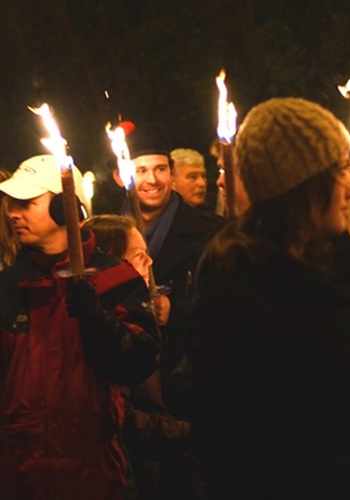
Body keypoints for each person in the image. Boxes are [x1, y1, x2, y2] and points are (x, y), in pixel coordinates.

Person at [189, 97, 350, 499]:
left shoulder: (326, 269)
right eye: (341, 171)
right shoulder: (240, 292)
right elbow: (237, 458)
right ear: (302, 186)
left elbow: (342, 389)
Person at [0, 155, 160, 499]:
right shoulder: (7, 287)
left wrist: (96, 319)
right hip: (19, 477)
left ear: (64, 208)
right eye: (12, 203)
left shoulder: (114, 277)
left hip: (94, 475)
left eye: (26, 203)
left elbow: (138, 362)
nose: (13, 212)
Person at [112, 124, 223, 497]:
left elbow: (223, 306)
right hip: (135, 388)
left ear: (172, 175)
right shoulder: (107, 234)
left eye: (160, 169)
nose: (152, 180)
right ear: (123, 176)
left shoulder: (209, 232)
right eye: (141, 170)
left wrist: (176, 310)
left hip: (186, 383)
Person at [85, 214, 189, 500]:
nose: (150, 262)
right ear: (115, 262)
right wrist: (188, 433)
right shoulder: (109, 326)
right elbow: (124, 417)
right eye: (139, 255)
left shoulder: (140, 315)